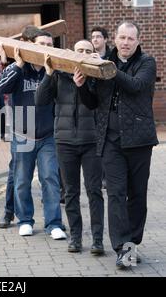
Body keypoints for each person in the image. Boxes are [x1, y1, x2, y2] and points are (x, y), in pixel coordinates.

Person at [74, 21, 158, 269]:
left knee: (137, 196)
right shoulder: (104, 62)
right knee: (115, 194)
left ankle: (133, 243)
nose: (125, 42)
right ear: (116, 39)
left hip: (139, 141)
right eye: (122, 37)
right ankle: (123, 248)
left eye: (130, 39)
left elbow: (136, 86)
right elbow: (91, 103)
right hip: (110, 139)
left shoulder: (146, 63)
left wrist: (108, 68)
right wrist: (81, 87)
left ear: (137, 41)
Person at [0, 27, 66, 239]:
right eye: (41, 45)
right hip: (22, 135)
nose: (45, 49)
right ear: (30, 45)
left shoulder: (54, 70)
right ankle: (25, 220)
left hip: (48, 135)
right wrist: (16, 65)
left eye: (49, 45)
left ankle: (54, 224)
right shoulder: (19, 69)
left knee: (50, 179)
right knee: (22, 180)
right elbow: (0, 87)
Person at [35, 39, 105, 255]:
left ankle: (97, 240)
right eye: (79, 50)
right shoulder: (58, 74)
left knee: (94, 191)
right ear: (71, 54)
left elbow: (95, 103)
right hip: (65, 142)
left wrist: (84, 83)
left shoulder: (97, 76)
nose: (82, 53)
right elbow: (40, 100)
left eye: (87, 51)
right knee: (71, 192)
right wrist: (48, 74)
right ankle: (75, 237)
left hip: (91, 141)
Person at [91, 26, 111, 189]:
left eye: (98, 36)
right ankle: (99, 176)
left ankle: (106, 176)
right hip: (93, 104)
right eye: (93, 37)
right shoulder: (87, 56)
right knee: (97, 141)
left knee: (107, 141)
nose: (95, 39)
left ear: (105, 39)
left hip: (108, 104)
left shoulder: (112, 57)